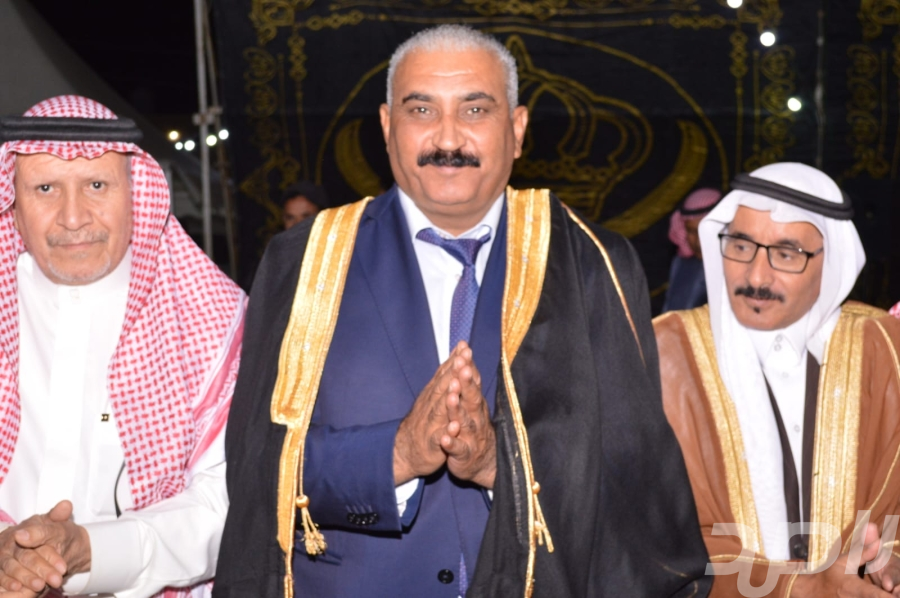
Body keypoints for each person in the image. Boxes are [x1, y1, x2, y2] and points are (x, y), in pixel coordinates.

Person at [215, 24, 710, 598]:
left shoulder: (590, 262)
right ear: (387, 127)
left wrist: (501, 467)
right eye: (421, 109)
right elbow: (257, 469)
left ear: (517, 130)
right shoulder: (305, 261)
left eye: (475, 110)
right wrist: (397, 454)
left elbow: (634, 478)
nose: (447, 137)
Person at [0, 96, 246, 598]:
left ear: (136, 193)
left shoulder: (212, 318)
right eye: (45, 188)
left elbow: (230, 502)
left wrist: (93, 552)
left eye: (97, 185)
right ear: (13, 204)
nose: (73, 217)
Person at [655, 162, 900, 596]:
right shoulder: (664, 352)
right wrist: (798, 588)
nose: (755, 276)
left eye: (786, 254)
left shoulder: (881, 347)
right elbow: (650, 530)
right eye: (741, 246)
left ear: (832, 262)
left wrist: (889, 558)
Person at [662, 187, 721, 312]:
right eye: (692, 231)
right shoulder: (680, 263)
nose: (698, 242)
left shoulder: (733, 267)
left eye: (704, 231)